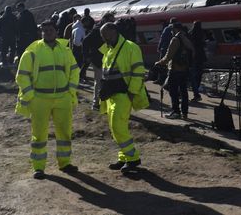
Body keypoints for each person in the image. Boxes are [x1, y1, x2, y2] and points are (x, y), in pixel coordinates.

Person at [14, 20, 80, 179]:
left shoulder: (65, 51)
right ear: (41, 33)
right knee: (39, 134)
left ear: (56, 31)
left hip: (62, 98)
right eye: (45, 30)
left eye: (50, 30)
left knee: (64, 133)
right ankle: (38, 167)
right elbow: (22, 76)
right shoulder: (32, 51)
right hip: (40, 99)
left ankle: (65, 163)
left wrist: (70, 92)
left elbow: (74, 71)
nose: (48, 32)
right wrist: (31, 95)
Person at [97, 22, 149, 174]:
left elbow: (138, 71)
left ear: (114, 31)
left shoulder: (130, 47)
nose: (103, 37)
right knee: (115, 128)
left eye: (105, 34)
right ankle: (124, 156)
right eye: (102, 35)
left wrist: (132, 92)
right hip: (111, 95)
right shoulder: (108, 49)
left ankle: (133, 158)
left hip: (123, 94)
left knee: (118, 126)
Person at [155, 22, 194, 119]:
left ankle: (175, 112)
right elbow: (193, 52)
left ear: (175, 29)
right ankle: (185, 113)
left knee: (173, 91)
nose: (171, 32)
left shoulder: (175, 39)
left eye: (172, 30)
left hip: (175, 69)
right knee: (184, 91)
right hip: (185, 69)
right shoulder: (187, 38)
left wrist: (159, 62)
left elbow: (168, 56)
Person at [82, 12, 116, 109]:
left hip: (106, 59)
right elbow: (85, 41)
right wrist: (86, 56)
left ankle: (104, 101)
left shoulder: (110, 31)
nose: (112, 23)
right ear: (105, 20)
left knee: (105, 81)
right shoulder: (97, 30)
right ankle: (96, 103)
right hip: (97, 60)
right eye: (111, 21)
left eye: (113, 21)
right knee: (99, 81)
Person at [188, 21, 207, 100]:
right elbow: (204, 44)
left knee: (193, 75)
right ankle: (197, 87)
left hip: (193, 56)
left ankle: (196, 91)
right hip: (201, 56)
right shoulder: (202, 33)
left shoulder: (190, 33)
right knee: (199, 73)